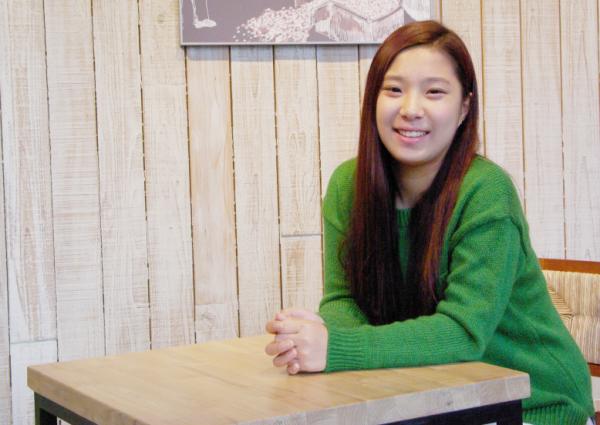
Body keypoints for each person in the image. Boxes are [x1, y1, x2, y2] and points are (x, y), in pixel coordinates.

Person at [264, 20, 595, 425]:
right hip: (431, 398)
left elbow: (462, 332)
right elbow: (342, 300)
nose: (411, 109)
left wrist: (336, 348)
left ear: (464, 108)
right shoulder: (347, 186)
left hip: (535, 404)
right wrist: (314, 340)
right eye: (394, 89)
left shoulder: (486, 192)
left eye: (434, 92)